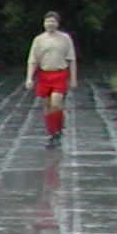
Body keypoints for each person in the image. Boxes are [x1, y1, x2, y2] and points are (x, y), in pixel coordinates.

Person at [25, 11, 77, 148]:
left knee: (56, 103)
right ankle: (53, 132)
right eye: (48, 21)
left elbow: (71, 59)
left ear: (58, 23)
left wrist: (73, 78)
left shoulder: (65, 38)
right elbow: (33, 60)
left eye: (53, 21)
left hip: (60, 74)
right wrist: (29, 78)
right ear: (44, 23)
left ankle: (58, 129)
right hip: (44, 75)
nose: (50, 24)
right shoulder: (39, 40)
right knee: (47, 106)